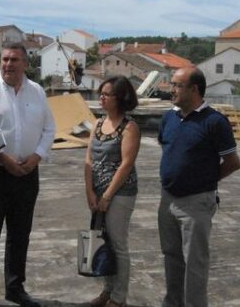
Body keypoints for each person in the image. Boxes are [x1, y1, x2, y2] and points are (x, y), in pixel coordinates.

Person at [0, 43, 56, 307]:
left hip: (28, 174)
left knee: (20, 235)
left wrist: (37, 156)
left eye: (14, 59)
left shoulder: (37, 91)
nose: (8, 64)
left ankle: (15, 288)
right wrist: (4, 158)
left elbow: (49, 128)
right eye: (5, 59)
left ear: (25, 64)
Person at [157, 66, 240, 307]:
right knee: (171, 257)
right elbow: (168, 149)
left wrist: (205, 181)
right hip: (167, 200)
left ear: (194, 89)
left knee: (195, 263)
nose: (171, 89)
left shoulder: (214, 122)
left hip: (196, 203)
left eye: (176, 85)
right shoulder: (168, 118)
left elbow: (233, 163)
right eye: (171, 84)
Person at [84, 76, 140, 307]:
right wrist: (89, 191)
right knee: (102, 241)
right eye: (101, 93)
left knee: (117, 243)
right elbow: (88, 157)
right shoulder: (98, 123)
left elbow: (126, 164)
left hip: (120, 193)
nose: (102, 98)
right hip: (97, 193)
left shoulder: (129, 127)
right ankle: (107, 290)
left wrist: (107, 196)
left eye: (107, 94)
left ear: (121, 98)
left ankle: (119, 297)